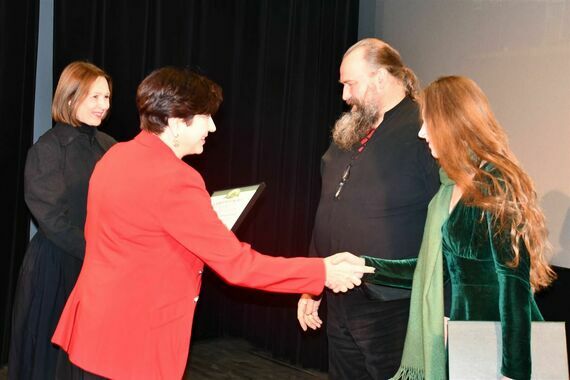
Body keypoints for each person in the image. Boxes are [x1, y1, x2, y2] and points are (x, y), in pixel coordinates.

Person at [51, 67, 373, 379]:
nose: (213, 128)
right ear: (177, 122)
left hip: (98, 326)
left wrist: (203, 225)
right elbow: (239, 266)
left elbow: (134, 233)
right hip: (139, 338)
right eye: (206, 117)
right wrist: (321, 271)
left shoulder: (116, 156)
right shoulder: (176, 179)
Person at [361, 76, 556, 380]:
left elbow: (513, 285)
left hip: (495, 346)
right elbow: (431, 269)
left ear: (453, 123)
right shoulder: (448, 188)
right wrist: (364, 266)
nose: (422, 133)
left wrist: (514, 372)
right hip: (461, 339)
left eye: (429, 123)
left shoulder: (497, 184)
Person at [297, 38, 440, 379]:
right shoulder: (351, 130)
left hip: (392, 302)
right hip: (341, 294)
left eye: (350, 83)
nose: (344, 95)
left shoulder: (424, 128)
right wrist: (312, 283)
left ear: (380, 78)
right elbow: (326, 208)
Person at [8, 61, 116, 380]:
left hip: (99, 264)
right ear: (69, 97)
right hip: (57, 266)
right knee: (52, 360)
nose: (103, 105)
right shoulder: (49, 148)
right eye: (94, 96)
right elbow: (52, 217)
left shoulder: (111, 147)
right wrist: (98, 253)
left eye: (107, 97)